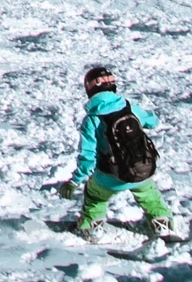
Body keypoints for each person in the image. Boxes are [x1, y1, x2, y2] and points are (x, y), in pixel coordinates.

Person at [58, 64, 177, 242]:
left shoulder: (92, 119)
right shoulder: (128, 107)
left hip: (109, 176)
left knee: (94, 196)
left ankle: (91, 227)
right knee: (149, 194)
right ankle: (161, 223)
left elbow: (87, 156)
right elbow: (152, 122)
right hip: (141, 169)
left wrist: (74, 181)